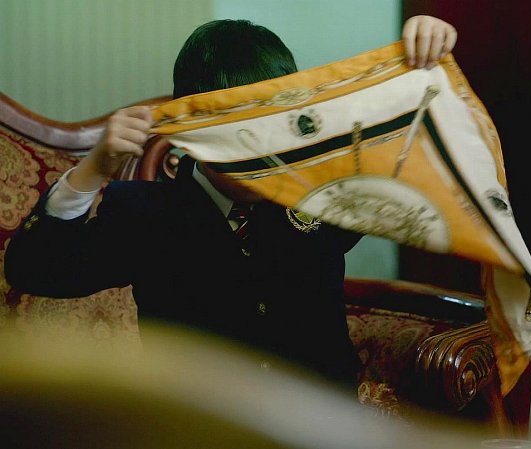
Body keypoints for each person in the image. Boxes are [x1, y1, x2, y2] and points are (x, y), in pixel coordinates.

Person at [4, 15, 458, 392]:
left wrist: (422, 65)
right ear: (189, 132)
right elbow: (37, 270)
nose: (256, 149)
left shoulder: (323, 193)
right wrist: (93, 168)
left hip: (318, 419)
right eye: (232, 130)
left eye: (269, 124)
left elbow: (421, 166)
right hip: (201, 426)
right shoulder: (144, 211)